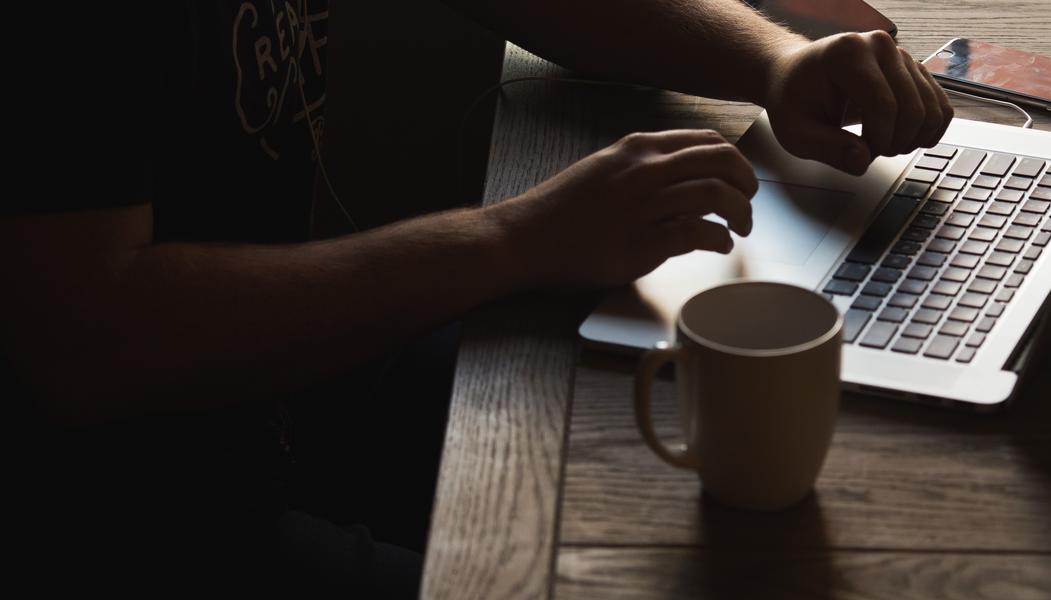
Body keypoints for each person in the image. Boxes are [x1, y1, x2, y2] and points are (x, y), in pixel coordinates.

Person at [4, 0, 952, 596]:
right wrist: (515, 239)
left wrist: (774, 62)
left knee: (697, 440)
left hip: (275, 390)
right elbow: (90, 344)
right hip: (112, 513)